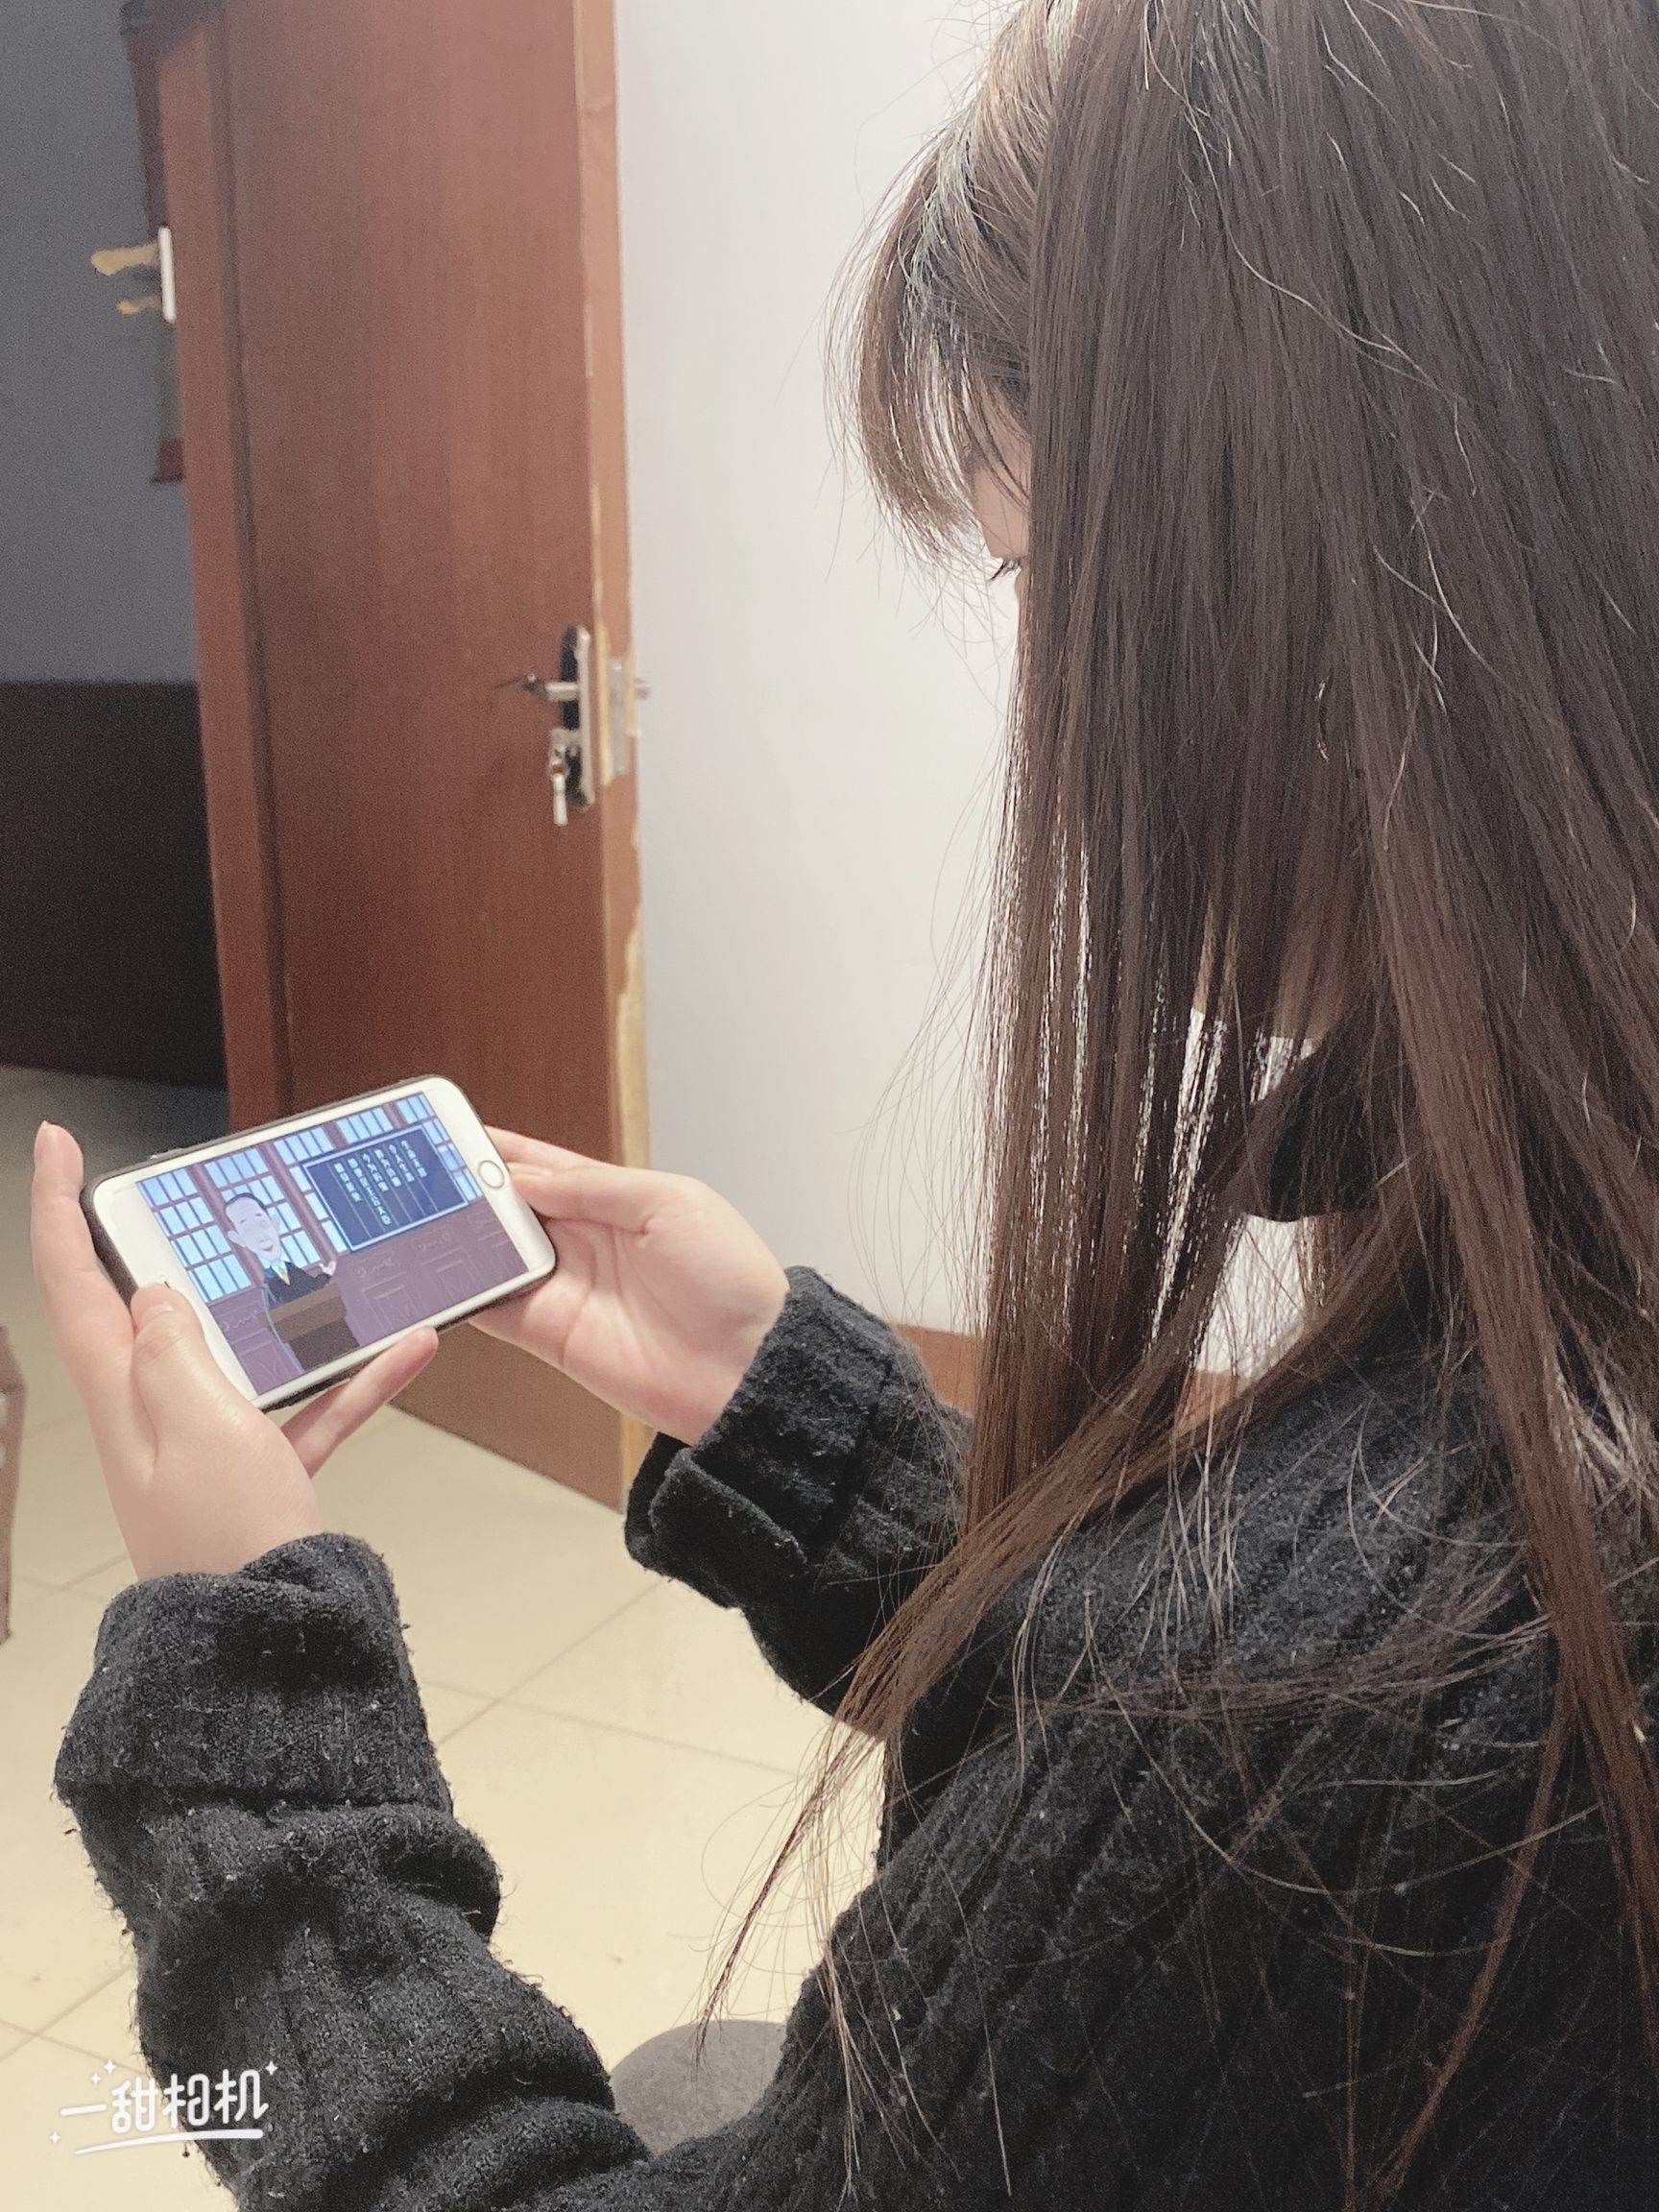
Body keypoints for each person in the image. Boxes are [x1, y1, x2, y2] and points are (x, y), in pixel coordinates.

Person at [29, 0, 1659, 2200]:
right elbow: (1166, 1861)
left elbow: (1206, 1813)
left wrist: (251, 1694)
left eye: (1040, 580)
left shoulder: (1367, 1704)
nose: (1050, 704)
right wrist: (795, 1424)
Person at [223, 1192, 361, 1372]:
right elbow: (277, 1323)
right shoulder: (268, 1286)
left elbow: (310, 1287)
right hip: (306, 1343)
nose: (260, 1236)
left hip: (332, 1329)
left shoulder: (292, 1269)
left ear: (275, 1224)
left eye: (262, 1224)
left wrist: (325, 1275)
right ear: (239, 1239)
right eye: (248, 1230)